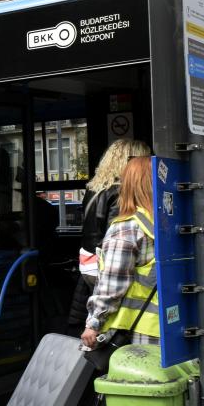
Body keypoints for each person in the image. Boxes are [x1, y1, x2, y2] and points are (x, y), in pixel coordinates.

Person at [68, 139, 152, 336]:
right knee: (114, 320)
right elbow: (118, 240)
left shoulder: (95, 188)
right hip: (104, 264)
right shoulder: (121, 193)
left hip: (87, 261)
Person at [81, 156, 160, 350]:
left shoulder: (127, 228)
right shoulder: (166, 224)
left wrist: (94, 323)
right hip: (167, 326)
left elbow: (112, 284)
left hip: (137, 332)